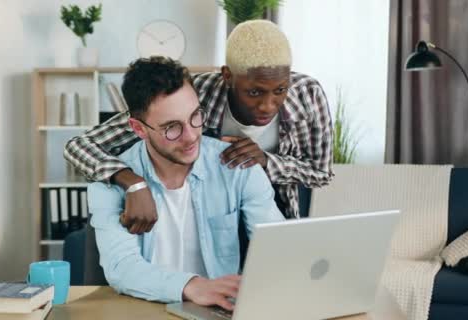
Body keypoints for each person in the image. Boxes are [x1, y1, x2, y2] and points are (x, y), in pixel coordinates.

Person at [66, 20, 333, 234]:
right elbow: (79, 146)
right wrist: (132, 182)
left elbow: (321, 173)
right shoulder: (196, 94)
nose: (268, 106)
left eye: (280, 90)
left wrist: (266, 161)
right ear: (227, 75)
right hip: (213, 213)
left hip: (276, 207)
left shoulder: (308, 94)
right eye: (254, 92)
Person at [88, 56, 284, 309]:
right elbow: (121, 268)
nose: (191, 137)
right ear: (139, 129)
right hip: (145, 309)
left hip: (219, 310)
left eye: (195, 116)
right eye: (172, 127)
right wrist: (192, 286)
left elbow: (277, 247)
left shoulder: (237, 167)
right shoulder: (108, 182)